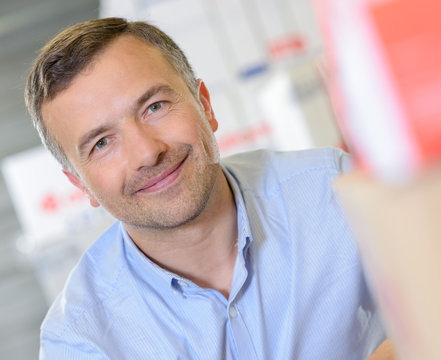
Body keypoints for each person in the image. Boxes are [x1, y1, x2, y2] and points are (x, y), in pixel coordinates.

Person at [26, 17, 393, 359]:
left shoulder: (334, 191)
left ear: (205, 104)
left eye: (155, 107)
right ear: (79, 184)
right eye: (101, 143)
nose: (148, 153)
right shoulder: (79, 342)